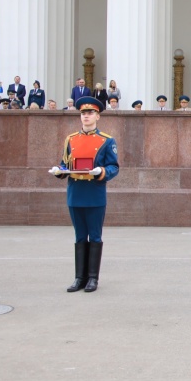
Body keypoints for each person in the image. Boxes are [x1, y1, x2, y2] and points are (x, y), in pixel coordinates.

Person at [49, 96, 119, 293]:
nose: (86, 116)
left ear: (98, 116)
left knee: (94, 236)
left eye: (90, 113)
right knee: (80, 236)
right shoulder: (70, 139)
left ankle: (93, 278)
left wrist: (102, 172)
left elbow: (114, 166)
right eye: (83, 113)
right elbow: (66, 163)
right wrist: (59, 170)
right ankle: (79, 278)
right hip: (76, 193)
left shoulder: (106, 140)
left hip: (94, 194)